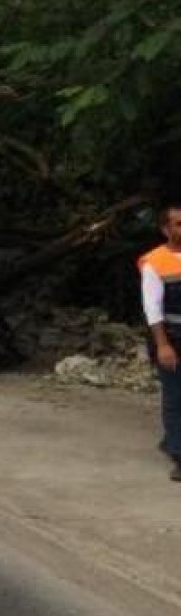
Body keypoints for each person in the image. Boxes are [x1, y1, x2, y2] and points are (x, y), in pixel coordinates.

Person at [140, 201, 181, 481]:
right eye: (178, 224)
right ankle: (179, 454)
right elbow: (152, 307)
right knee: (175, 396)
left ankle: (172, 441)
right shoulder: (154, 262)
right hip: (172, 335)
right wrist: (163, 345)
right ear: (165, 229)